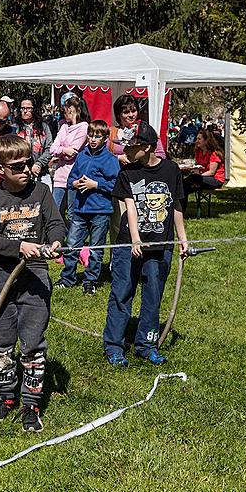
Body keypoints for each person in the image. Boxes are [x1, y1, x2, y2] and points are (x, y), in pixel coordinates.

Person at [0, 135, 64, 433]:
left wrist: (55, 240)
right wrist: (20, 248)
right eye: (17, 166)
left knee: (32, 342)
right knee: (1, 342)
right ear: (1, 168)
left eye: (28, 162)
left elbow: (55, 223)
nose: (26, 169)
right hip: (0, 277)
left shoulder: (41, 192)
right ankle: (5, 399)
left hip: (35, 276)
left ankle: (31, 404)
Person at [103, 121, 189, 368]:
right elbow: (130, 207)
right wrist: (135, 239)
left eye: (131, 146)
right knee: (122, 292)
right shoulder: (127, 173)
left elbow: (176, 206)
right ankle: (114, 347)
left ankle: (146, 344)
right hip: (129, 245)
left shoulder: (171, 170)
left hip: (161, 246)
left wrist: (182, 239)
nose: (125, 150)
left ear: (148, 147)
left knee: (153, 295)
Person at [59, 120, 120, 293]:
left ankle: (90, 281)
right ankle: (67, 278)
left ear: (105, 138)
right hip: (80, 209)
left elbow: (115, 185)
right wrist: (76, 183)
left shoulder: (110, 159)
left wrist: (96, 185)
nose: (93, 139)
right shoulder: (82, 155)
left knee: (96, 248)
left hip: (100, 210)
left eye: (97, 136)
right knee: (71, 245)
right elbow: (70, 180)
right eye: (91, 135)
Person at [107, 95, 166, 241]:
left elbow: (160, 154)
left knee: (143, 221)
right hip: (119, 184)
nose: (130, 115)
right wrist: (117, 158)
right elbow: (101, 156)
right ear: (119, 114)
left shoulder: (146, 130)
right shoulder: (111, 132)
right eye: (126, 112)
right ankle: (118, 258)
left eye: (133, 111)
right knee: (118, 223)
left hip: (142, 183)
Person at [48, 96, 88, 217]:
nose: (64, 113)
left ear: (73, 110)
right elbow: (52, 149)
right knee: (55, 210)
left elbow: (72, 154)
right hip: (60, 175)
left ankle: (72, 236)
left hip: (74, 175)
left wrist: (61, 152)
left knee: (71, 213)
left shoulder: (84, 127)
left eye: (66, 110)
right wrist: (64, 150)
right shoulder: (64, 126)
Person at [182, 128, 226, 209]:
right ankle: (180, 212)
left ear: (206, 141)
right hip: (203, 178)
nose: (197, 141)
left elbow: (211, 172)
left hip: (216, 180)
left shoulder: (214, 153)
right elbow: (198, 167)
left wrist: (198, 177)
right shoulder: (198, 152)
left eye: (199, 139)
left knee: (192, 178)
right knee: (183, 187)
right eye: (197, 139)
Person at [14, 97, 53, 185]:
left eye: (28, 108)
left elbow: (50, 148)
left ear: (34, 109)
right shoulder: (15, 128)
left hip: (42, 173)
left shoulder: (44, 127)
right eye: (22, 108)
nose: (25, 111)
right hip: (20, 173)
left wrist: (39, 163)